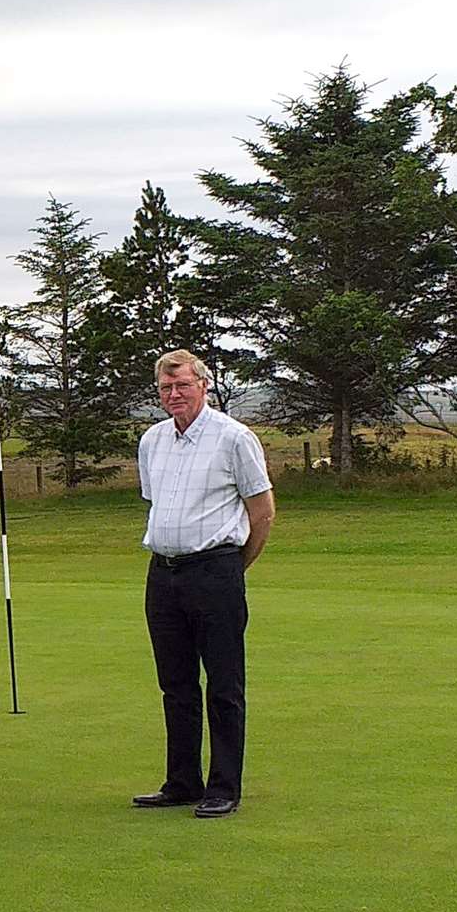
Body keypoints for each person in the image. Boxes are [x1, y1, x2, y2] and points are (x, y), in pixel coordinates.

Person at [132, 349, 275, 819]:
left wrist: (233, 568)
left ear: (204, 386)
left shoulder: (234, 438)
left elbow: (263, 512)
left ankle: (224, 786)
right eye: (166, 388)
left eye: (183, 386)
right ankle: (182, 781)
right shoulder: (152, 440)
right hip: (163, 572)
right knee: (175, 684)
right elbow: (157, 503)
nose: (174, 395)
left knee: (224, 683)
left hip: (215, 571)